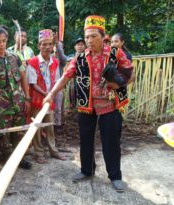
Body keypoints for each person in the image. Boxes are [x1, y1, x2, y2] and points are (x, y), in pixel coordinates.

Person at [43, 15, 134, 192]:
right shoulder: (81, 58)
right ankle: (86, 170)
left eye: (94, 36)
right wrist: (52, 94)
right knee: (85, 139)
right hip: (87, 105)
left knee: (111, 142)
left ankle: (115, 176)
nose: (89, 40)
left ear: (103, 36)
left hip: (110, 105)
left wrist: (118, 83)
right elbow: (65, 76)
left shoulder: (116, 53)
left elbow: (131, 74)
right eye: (87, 37)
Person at [0, 26, 32, 169]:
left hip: (18, 103)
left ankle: (19, 159)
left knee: (19, 132)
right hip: (2, 107)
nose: (2, 44)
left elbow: (23, 78)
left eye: (4, 41)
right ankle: (8, 160)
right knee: (3, 136)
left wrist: (27, 99)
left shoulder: (15, 57)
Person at [26, 29, 66, 164]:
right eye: (44, 44)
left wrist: (52, 94)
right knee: (36, 127)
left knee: (50, 126)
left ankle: (53, 150)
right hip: (37, 101)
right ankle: (38, 152)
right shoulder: (32, 62)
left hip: (49, 101)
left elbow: (57, 81)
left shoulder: (54, 62)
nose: (47, 47)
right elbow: (33, 84)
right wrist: (48, 94)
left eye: (50, 44)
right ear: (38, 46)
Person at [53, 33, 67, 133]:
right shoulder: (48, 57)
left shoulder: (62, 60)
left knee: (58, 106)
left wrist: (57, 43)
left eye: (59, 47)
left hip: (58, 86)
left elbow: (62, 56)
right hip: (47, 85)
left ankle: (57, 125)